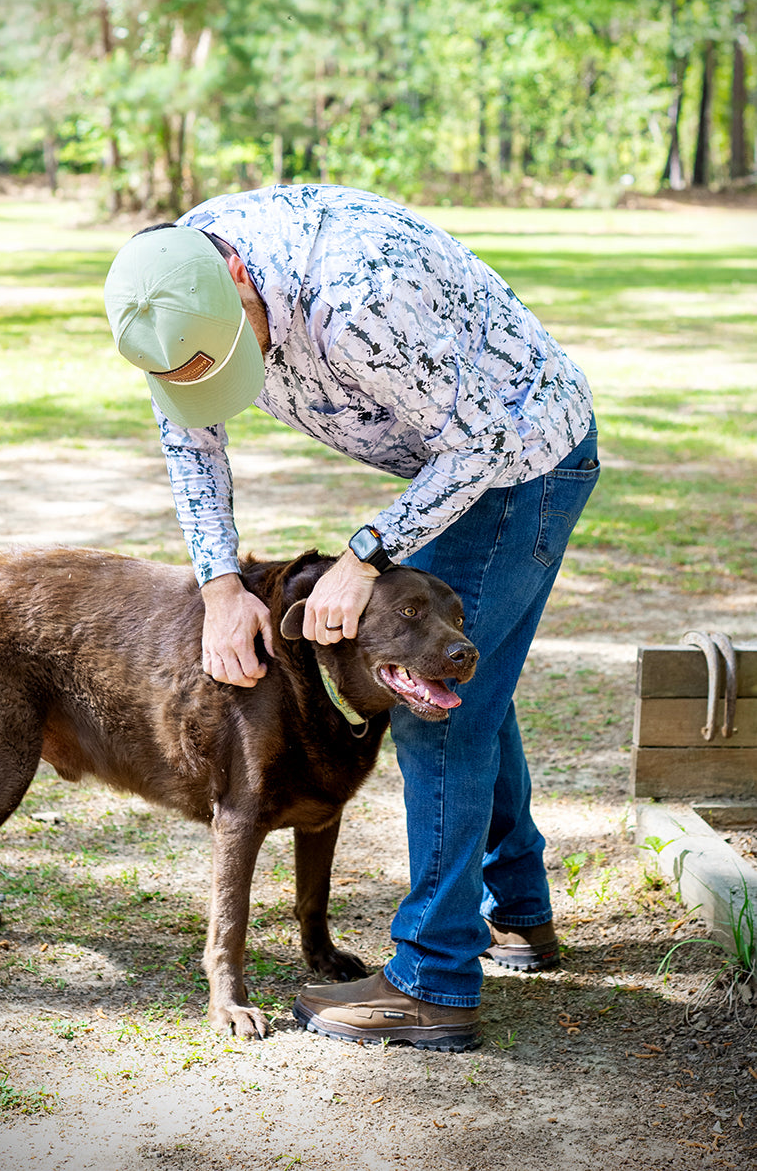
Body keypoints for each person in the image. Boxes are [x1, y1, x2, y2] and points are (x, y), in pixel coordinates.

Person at [103, 184, 599, 1053]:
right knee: (452, 676)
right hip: (445, 461)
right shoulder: (168, 298)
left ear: (237, 277)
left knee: (431, 702)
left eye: (233, 356)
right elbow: (193, 446)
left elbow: (480, 443)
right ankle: (517, 911)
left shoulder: (357, 295)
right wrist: (221, 585)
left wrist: (366, 552)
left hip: (521, 457)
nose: (222, 385)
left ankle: (434, 982)